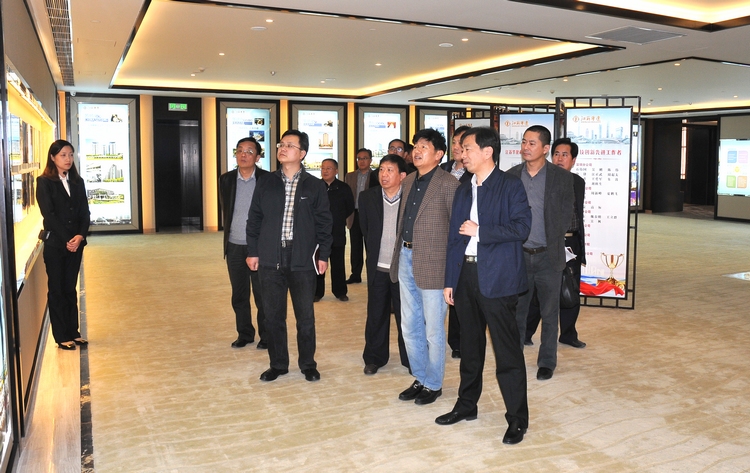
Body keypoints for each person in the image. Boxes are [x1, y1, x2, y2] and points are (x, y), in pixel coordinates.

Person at [437, 126, 531, 445]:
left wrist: (481, 230)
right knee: (470, 348)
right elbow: (454, 237)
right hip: (465, 275)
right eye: (461, 149)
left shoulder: (510, 185)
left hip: (499, 277)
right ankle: (467, 405)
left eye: (467, 149)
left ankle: (517, 419)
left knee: (507, 352)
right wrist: (450, 280)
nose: (462, 154)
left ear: (487, 152)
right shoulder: (463, 188)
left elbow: (522, 227)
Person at [246, 130, 333, 382]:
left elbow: (324, 224)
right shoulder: (265, 182)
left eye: (290, 145)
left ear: (302, 153)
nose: (282, 148)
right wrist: (253, 251)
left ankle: (308, 364)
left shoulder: (314, 185)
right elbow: (254, 219)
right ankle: (278, 364)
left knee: (305, 317)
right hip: (270, 257)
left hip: (302, 258)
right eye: (281, 144)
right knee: (273, 316)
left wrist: (323, 255)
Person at [390, 128, 460, 405]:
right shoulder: (408, 181)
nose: (417, 151)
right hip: (406, 257)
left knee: (433, 330)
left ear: (439, 154)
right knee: (409, 325)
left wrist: (452, 273)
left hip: (434, 264)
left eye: (424, 147)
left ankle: (434, 382)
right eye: (416, 146)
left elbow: (456, 233)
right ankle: (419, 376)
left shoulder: (449, 184)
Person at [507, 126, 574, 381]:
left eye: (532, 143)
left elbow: (566, 215)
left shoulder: (562, 178)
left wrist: (553, 238)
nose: (526, 147)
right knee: (517, 312)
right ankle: (513, 359)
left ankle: (547, 361)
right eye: (524, 142)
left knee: (549, 313)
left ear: (545, 148)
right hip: (519, 255)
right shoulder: (512, 176)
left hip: (548, 255)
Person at [37, 139, 91, 350]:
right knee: (57, 290)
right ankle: (61, 336)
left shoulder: (78, 181)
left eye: (70, 155)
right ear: (53, 157)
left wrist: (80, 236)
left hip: (75, 244)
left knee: (70, 288)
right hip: (56, 245)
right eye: (63, 155)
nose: (68, 159)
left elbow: (85, 212)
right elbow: (49, 215)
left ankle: (73, 332)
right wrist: (69, 238)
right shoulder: (44, 182)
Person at [359, 154, 409, 375]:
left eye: (390, 170)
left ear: (402, 175)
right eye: (381, 169)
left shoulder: (410, 198)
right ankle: (374, 357)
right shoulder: (367, 197)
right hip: (378, 266)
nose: (384, 174)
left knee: (406, 316)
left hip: (403, 268)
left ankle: (410, 357)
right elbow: (365, 230)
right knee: (376, 314)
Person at [219, 137, 268, 349]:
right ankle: (245, 333)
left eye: (249, 151)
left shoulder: (267, 179)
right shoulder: (226, 179)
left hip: (259, 246)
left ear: (257, 157)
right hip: (234, 245)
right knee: (239, 294)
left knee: (262, 294)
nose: (243, 154)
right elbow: (226, 209)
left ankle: (267, 335)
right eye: (239, 150)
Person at [440, 125, 473, 359]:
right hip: (439, 237)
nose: (457, 147)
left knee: (459, 291)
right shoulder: (442, 169)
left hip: (462, 237)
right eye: (454, 142)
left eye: (462, 143)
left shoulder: (474, 174)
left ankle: (459, 341)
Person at [316, 159, 354, 301]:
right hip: (318, 232)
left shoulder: (344, 188)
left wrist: (338, 218)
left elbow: (350, 207)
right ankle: (317, 292)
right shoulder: (315, 186)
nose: (325, 171)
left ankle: (340, 292)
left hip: (337, 231)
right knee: (318, 262)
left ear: (336, 171)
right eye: (323, 168)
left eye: (329, 168)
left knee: (338, 263)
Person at [344, 148, 375, 284]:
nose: (361, 161)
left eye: (365, 158)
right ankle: (355, 274)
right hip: (354, 215)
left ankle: (372, 275)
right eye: (359, 158)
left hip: (370, 216)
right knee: (355, 247)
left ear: (370, 160)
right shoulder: (349, 176)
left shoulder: (376, 176)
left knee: (370, 247)